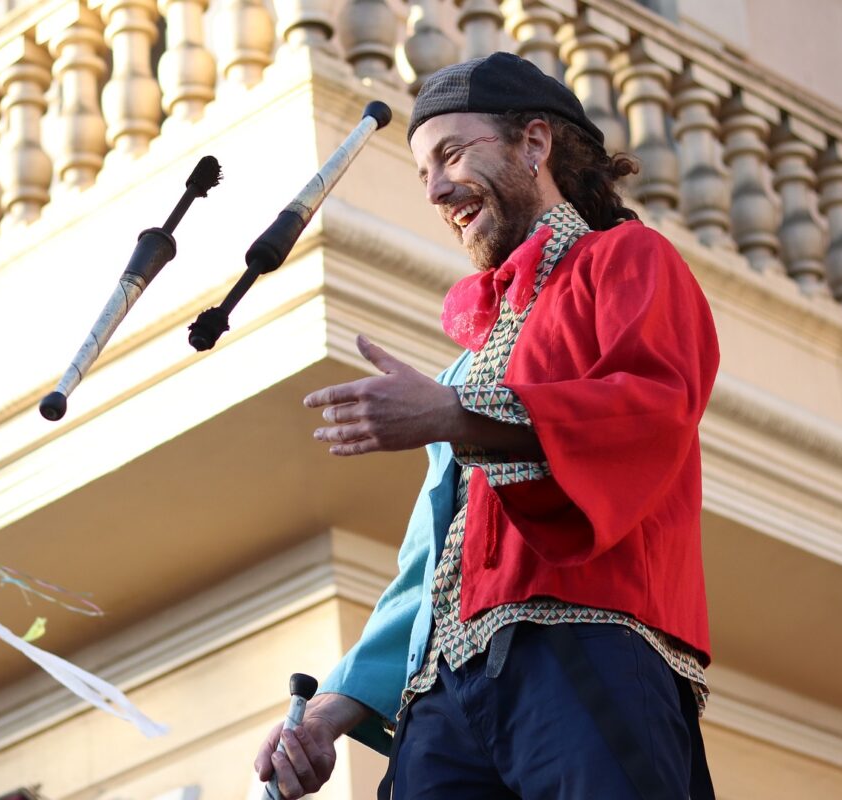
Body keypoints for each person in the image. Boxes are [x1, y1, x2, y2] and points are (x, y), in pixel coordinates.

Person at [254, 52, 720, 799]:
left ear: (534, 144)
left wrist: (455, 416)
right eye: (422, 173)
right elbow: (429, 562)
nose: (437, 187)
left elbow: (651, 408)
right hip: (442, 700)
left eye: (451, 154)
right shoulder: (464, 368)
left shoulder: (627, 259)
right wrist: (332, 714)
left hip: (582, 644)